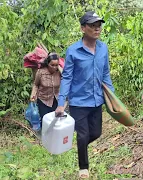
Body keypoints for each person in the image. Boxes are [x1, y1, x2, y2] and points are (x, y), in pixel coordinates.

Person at [55, 11, 114, 179]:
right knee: (83, 134)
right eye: (92, 26)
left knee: (95, 133)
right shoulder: (73, 51)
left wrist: (112, 98)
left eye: (99, 25)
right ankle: (83, 168)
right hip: (78, 102)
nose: (97, 29)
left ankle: (81, 146)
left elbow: (106, 74)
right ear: (83, 28)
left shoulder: (103, 48)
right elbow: (67, 77)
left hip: (97, 100)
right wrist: (61, 102)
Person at [30, 52, 61, 122]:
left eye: (56, 65)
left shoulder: (59, 72)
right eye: (52, 65)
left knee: (54, 121)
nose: (54, 67)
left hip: (55, 100)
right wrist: (33, 94)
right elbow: (35, 84)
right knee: (45, 121)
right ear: (48, 64)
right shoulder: (41, 72)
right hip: (43, 101)